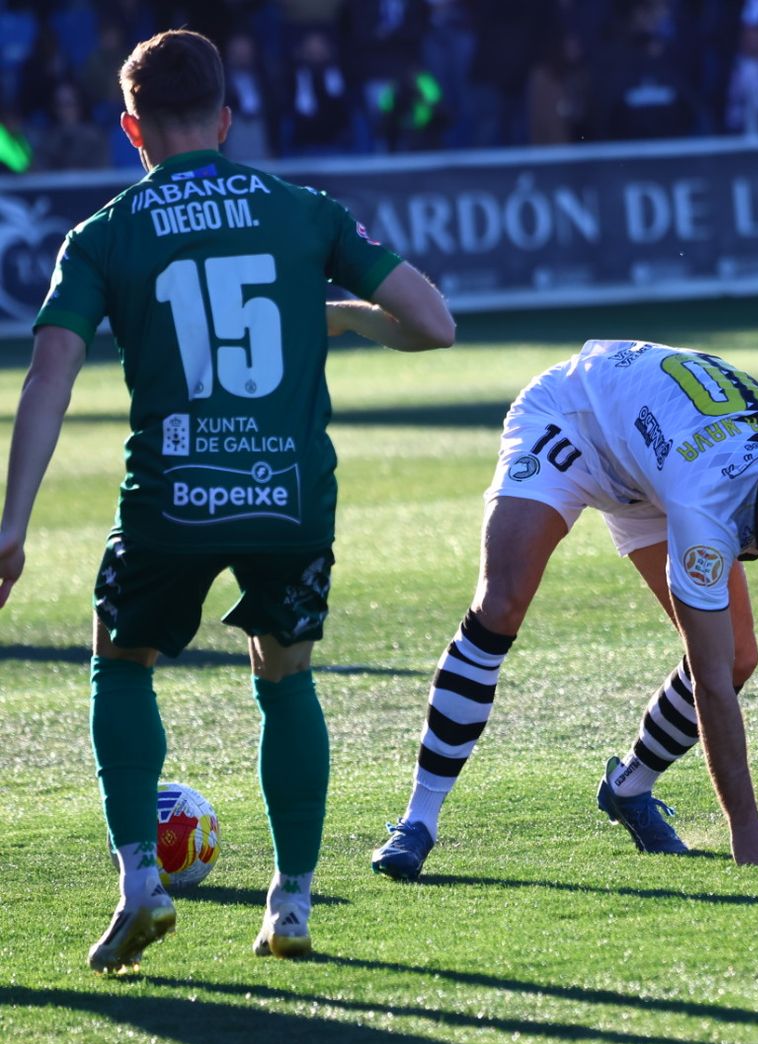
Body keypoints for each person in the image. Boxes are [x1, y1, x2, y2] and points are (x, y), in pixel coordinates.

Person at [0, 29, 456, 974]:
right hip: (289, 495)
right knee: (284, 678)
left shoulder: (104, 233)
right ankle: (289, 903)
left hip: (172, 497)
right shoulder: (303, 210)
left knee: (120, 665)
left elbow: (49, 378)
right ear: (225, 116)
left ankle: (138, 879)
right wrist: (337, 314)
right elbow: (433, 323)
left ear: (132, 128)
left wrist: (11, 527)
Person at [371, 339, 758, 876]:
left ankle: (628, 788)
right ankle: (417, 821)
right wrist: (745, 825)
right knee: (501, 605)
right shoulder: (708, 505)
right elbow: (705, 678)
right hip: (576, 422)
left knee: (739, 658)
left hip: (658, 461)